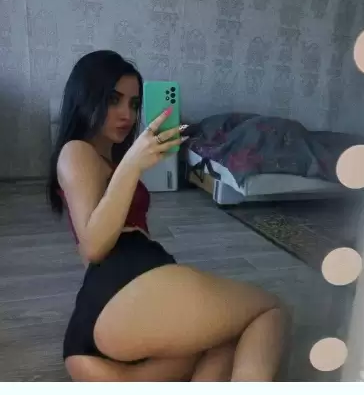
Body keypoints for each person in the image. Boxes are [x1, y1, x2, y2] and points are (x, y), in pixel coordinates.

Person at [47, 50, 288, 382]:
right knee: (270, 310)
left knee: (224, 339)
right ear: (85, 98)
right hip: (128, 279)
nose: (127, 114)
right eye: (113, 100)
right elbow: (93, 246)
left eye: (134, 104)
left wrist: (129, 164)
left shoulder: (99, 158)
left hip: (95, 321)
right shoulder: (77, 151)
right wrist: (132, 165)